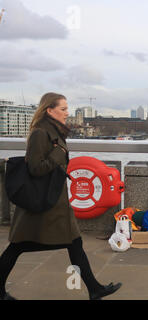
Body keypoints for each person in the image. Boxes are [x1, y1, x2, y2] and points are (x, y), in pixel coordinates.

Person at [0, 93, 122, 300]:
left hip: (55, 202)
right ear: (50, 110)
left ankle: (94, 289)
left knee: (74, 244)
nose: (67, 113)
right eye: (63, 109)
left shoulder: (54, 131)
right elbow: (36, 168)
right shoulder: (40, 133)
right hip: (44, 204)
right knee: (18, 247)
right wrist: (57, 156)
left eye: (67, 109)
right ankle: (95, 289)